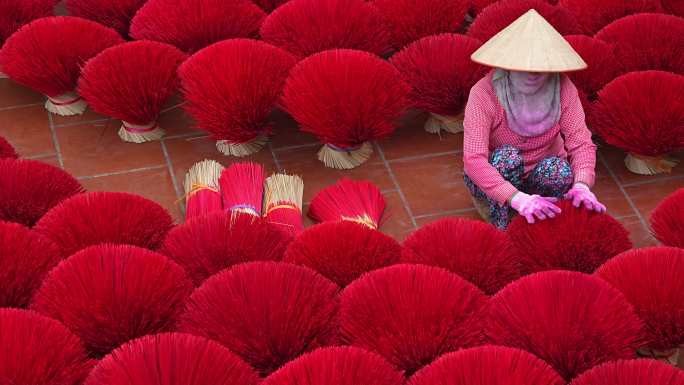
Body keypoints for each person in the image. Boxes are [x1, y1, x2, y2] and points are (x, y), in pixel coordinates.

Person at [463, 9, 606, 229]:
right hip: (497, 174)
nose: (533, 73)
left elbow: (581, 142)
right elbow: (474, 160)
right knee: (506, 157)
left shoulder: (563, 88)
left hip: (543, 171)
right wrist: (517, 198)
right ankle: (502, 224)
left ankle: (545, 219)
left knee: (559, 171)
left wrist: (582, 184)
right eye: (524, 65)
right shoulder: (483, 94)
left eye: (540, 65)